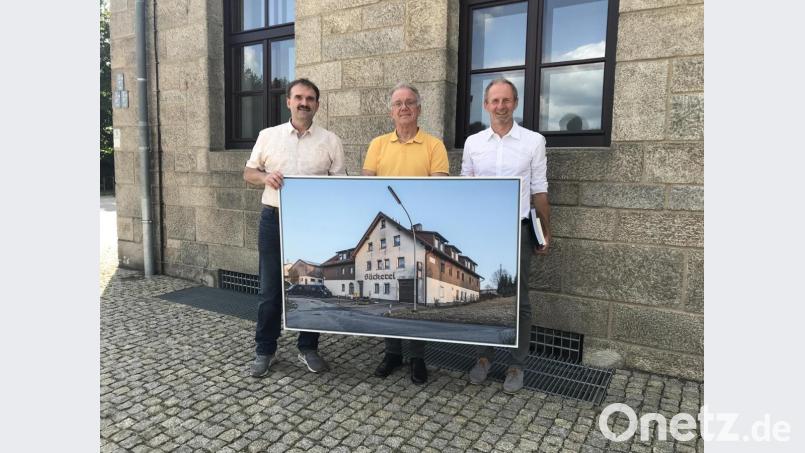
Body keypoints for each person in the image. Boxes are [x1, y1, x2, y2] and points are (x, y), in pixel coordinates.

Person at [244, 78, 346, 377]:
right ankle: (265, 350)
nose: (304, 103)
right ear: (288, 101)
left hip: (313, 223)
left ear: (317, 104)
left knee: (308, 288)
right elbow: (248, 172)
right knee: (271, 290)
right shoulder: (268, 136)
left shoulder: (331, 141)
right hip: (273, 219)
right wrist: (264, 178)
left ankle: (308, 347)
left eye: (310, 98)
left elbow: (340, 183)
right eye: (298, 97)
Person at [460, 78, 551, 393]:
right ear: (485, 105)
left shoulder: (533, 141)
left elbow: (539, 190)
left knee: (519, 300)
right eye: (494, 101)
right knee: (485, 294)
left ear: (515, 103)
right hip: (483, 229)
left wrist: (544, 232)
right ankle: (483, 358)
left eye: (506, 100)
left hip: (518, 229)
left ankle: (516, 365)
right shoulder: (474, 143)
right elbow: (465, 187)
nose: (500, 106)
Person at [362, 82, 449, 384]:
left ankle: (417, 358)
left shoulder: (434, 146)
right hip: (387, 231)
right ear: (391, 111)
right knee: (391, 293)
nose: (404, 108)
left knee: (413, 295)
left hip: (413, 229)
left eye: (410, 102)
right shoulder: (378, 145)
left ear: (419, 109)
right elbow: (368, 187)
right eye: (398, 103)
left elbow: (437, 188)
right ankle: (392, 353)